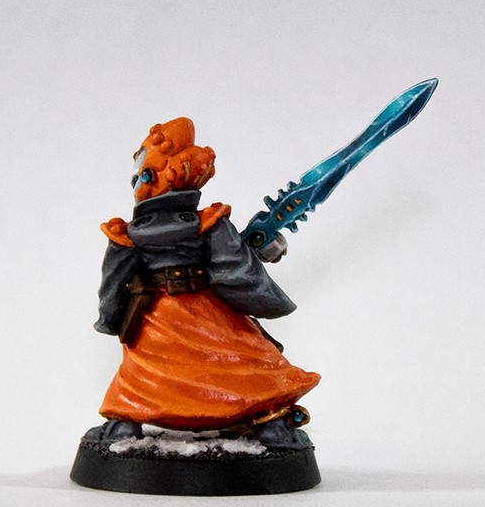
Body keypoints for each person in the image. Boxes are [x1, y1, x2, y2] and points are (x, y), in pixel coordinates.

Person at [85, 117, 318, 449]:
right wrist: (256, 263)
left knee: (148, 372)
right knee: (242, 362)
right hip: (201, 312)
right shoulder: (209, 223)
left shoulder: (131, 235)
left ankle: (125, 423)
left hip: (157, 319)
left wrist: (111, 318)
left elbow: (113, 284)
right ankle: (270, 423)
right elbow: (233, 271)